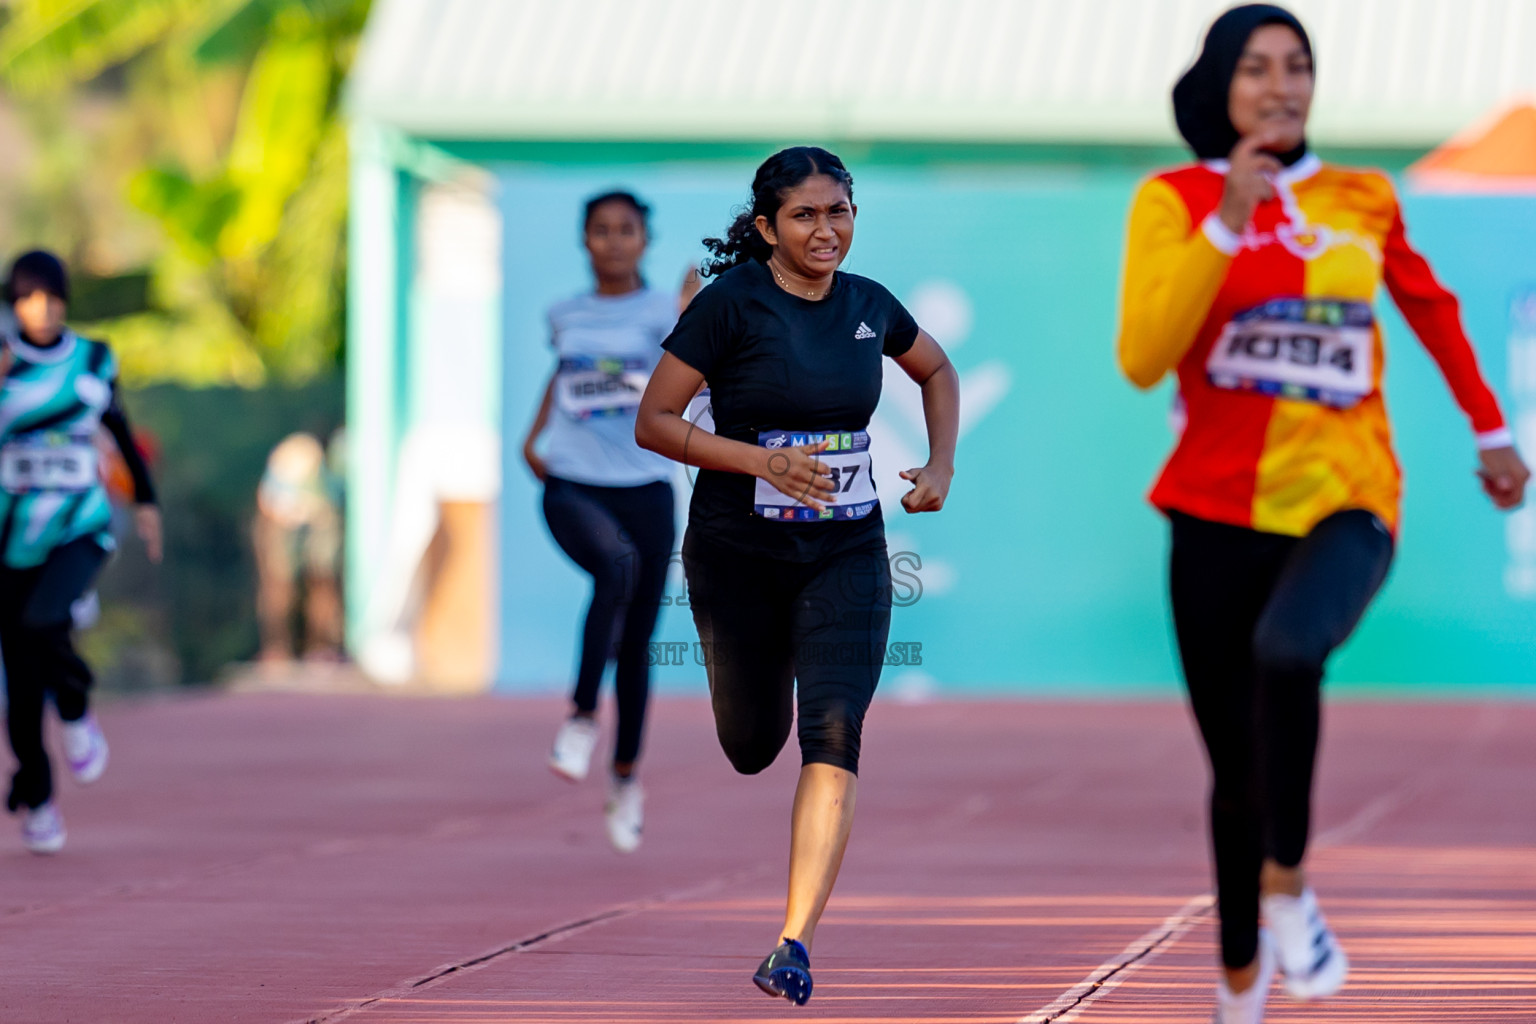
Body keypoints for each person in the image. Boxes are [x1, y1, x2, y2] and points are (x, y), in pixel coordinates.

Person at [1116, 7, 1530, 1022]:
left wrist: (1490, 430)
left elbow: (1430, 307)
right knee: (1234, 773)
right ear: (1221, 86)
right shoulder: (1171, 201)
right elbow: (1143, 356)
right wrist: (1226, 219)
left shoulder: (1363, 195)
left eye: (1298, 67)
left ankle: (1291, 885)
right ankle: (1238, 991)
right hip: (1211, 510)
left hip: (1347, 499)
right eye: (1258, 68)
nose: (1283, 84)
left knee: (1290, 653)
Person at [636, 146, 960, 1004]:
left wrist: (940, 466)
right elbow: (655, 421)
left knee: (835, 728)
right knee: (751, 747)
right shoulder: (729, 306)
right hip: (736, 555)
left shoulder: (867, 305)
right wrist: (756, 463)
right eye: (808, 216)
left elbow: (935, 369)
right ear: (768, 227)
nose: (827, 230)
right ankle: (766, 660)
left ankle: (793, 942)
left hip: (844, 549)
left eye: (841, 212)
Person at [521, 191, 699, 854]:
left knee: (638, 642)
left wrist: (691, 321)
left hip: (645, 488)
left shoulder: (664, 311)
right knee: (614, 568)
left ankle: (625, 778)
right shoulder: (564, 314)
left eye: (627, 230)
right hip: (571, 482)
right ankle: (579, 716)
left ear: (644, 240)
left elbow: (697, 385)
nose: (614, 241)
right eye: (601, 230)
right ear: (585, 239)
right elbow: (565, 375)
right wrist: (532, 438)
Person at [0, 249, 162, 854]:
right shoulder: (4, 365)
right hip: (11, 538)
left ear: (65, 299)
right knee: (18, 680)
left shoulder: (93, 359)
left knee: (46, 621)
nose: (39, 308)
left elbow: (120, 429)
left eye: (49, 296)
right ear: (13, 304)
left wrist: (147, 503)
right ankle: (38, 800)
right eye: (26, 297)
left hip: (80, 528)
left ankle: (74, 708)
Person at [253, 432, 343, 664]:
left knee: (322, 587)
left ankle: (321, 648)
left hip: (317, 523)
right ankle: (278, 650)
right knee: (279, 591)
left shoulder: (325, 483)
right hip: (284, 527)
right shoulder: (281, 471)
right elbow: (267, 501)